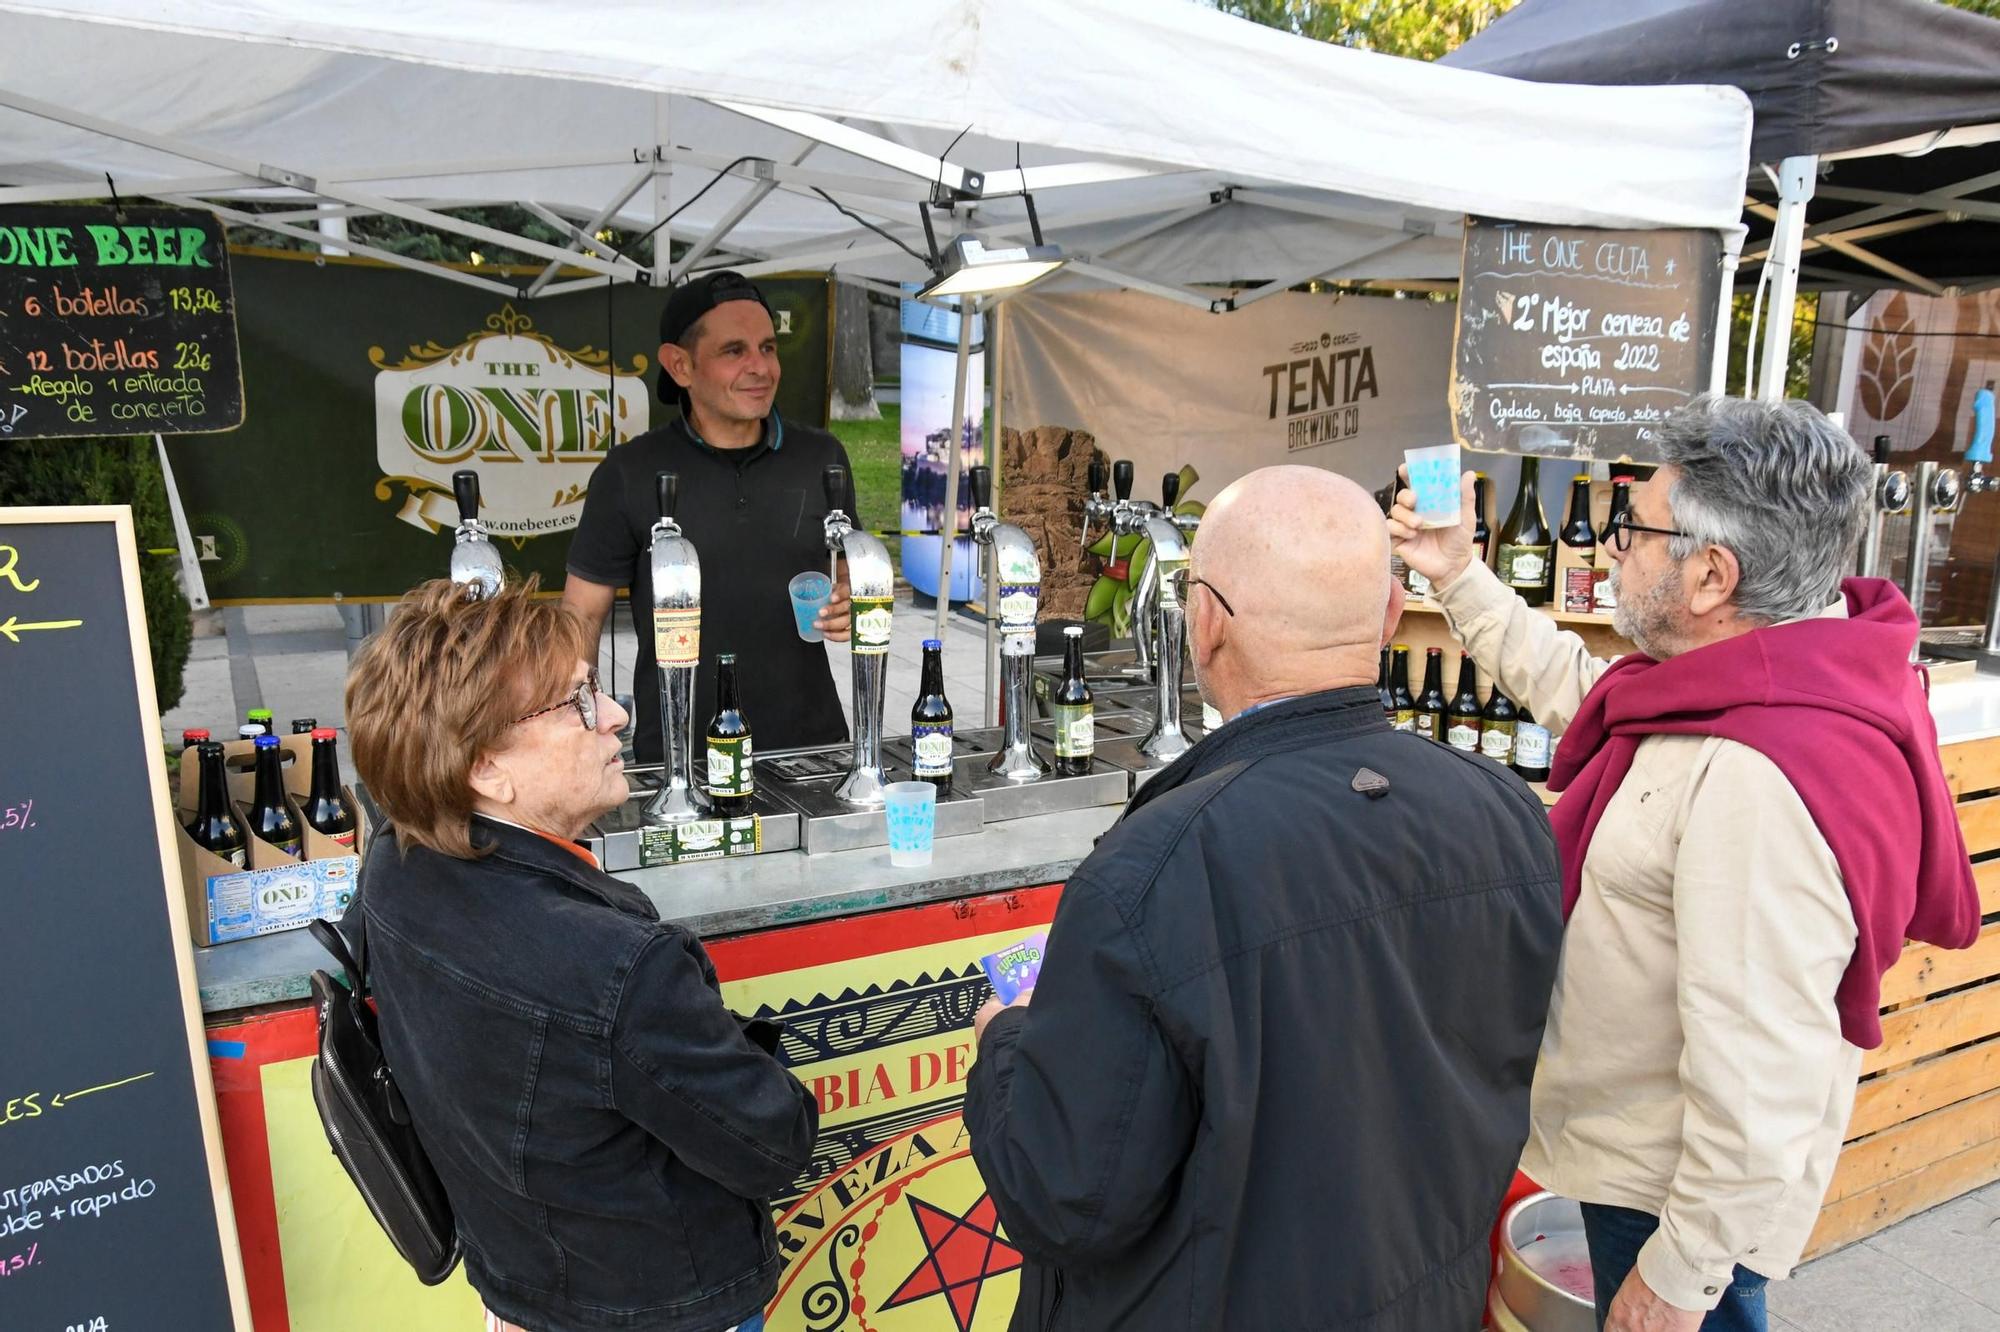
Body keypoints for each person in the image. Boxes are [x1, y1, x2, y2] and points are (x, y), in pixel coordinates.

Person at [1389, 397, 1982, 1332]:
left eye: (1637, 529)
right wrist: (1460, 576)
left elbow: (1760, 1077)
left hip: (1668, 1201)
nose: (1617, 547)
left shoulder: (1758, 779)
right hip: (1644, 1169)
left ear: (1711, 574)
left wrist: (1679, 1279)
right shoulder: (1754, 683)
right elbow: (1590, 700)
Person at [962, 466, 1565, 1331]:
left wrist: (1005, 1044)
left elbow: (1068, 1199)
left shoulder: (1152, 869)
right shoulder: (1506, 811)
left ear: (1202, 623)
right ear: (1392, 619)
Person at [344, 576, 818, 1332]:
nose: (617, 716)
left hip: (519, 1289)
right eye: (576, 703)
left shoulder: (395, 866)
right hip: (656, 1306)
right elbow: (772, 1143)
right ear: (484, 768)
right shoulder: (621, 968)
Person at [563, 270, 853, 762]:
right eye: (734, 351)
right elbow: (581, 615)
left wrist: (851, 601)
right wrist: (575, 731)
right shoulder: (629, 472)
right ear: (680, 366)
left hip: (811, 744)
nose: (761, 367)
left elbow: (847, 567)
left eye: (768, 348)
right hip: (681, 754)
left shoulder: (821, 456)